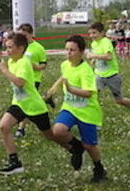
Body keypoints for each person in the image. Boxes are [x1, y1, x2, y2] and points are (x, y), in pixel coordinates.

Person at [45, 35, 107, 182]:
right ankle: (77, 148)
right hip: (70, 108)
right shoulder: (64, 65)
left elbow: (88, 93)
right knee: (57, 131)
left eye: (72, 50)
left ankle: (99, 169)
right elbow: (63, 78)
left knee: (89, 145)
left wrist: (71, 89)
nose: (68, 53)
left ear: (81, 52)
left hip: (87, 111)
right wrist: (51, 91)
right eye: (66, 49)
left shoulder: (86, 70)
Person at [0, 33, 56, 175]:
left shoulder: (24, 62)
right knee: (4, 126)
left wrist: (4, 70)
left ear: (20, 48)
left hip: (34, 106)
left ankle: (75, 147)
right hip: (19, 104)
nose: (7, 51)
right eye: (6, 47)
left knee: (51, 136)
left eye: (10, 47)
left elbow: (20, 83)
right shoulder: (12, 61)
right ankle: (14, 162)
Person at [14, 23, 51, 138]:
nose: (23, 38)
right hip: (20, 77)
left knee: (26, 102)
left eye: (25, 35)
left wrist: (36, 67)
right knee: (24, 101)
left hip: (33, 79)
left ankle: (21, 128)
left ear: (31, 34)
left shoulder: (38, 48)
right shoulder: (17, 46)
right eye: (20, 35)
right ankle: (45, 99)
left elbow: (44, 64)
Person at [86, 22, 130, 111]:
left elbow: (109, 57)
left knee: (119, 100)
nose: (92, 35)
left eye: (94, 33)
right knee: (91, 94)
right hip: (99, 75)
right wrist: (94, 60)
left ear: (102, 33)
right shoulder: (94, 43)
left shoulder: (106, 42)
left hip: (112, 76)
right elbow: (97, 54)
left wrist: (93, 56)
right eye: (90, 33)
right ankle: (91, 113)